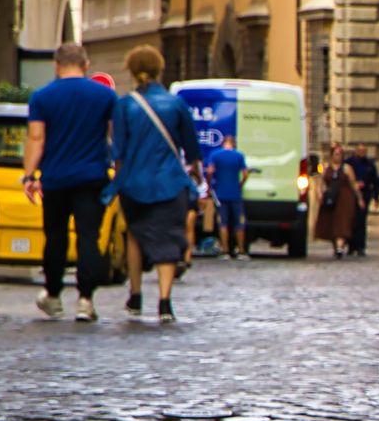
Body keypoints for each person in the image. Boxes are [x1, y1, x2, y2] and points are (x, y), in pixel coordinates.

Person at [21, 41, 117, 322]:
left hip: (56, 178)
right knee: (89, 236)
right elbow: (114, 137)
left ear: (57, 65)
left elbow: (36, 139)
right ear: (86, 65)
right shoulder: (105, 96)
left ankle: (53, 295)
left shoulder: (42, 97)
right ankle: (86, 300)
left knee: (56, 236)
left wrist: (29, 175)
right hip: (92, 175)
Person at [109, 44, 203, 323]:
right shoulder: (175, 104)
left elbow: (119, 151)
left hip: (134, 182)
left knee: (136, 235)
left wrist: (119, 178)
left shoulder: (125, 105)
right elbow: (191, 146)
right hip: (170, 182)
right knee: (169, 237)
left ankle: (136, 295)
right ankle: (164, 301)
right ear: (159, 69)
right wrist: (196, 171)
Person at [206, 133, 250, 259]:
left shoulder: (215, 155)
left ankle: (225, 251)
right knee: (239, 222)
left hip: (220, 193)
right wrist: (240, 185)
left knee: (223, 222)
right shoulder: (239, 156)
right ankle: (241, 251)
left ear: (223, 143)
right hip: (235, 193)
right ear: (234, 144)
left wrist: (209, 186)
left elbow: (209, 171)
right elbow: (245, 174)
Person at [313, 144, 362, 257]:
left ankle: (340, 247)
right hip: (330, 198)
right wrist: (319, 194)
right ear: (331, 155)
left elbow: (353, 183)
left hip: (344, 198)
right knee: (331, 222)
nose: (338, 156)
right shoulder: (325, 168)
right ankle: (336, 245)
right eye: (336, 154)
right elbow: (321, 183)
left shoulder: (347, 168)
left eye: (340, 154)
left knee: (343, 223)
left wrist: (359, 198)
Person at [346, 144, 379, 256]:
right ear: (356, 151)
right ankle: (351, 246)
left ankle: (360, 246)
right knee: (351, 221)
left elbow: (375, 181)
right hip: (351, 194)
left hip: (365, 194)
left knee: (361, 221)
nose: (362, 153)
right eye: (360, 151)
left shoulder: (370, 164)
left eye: (364, 151)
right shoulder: (349, 162)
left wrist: (376, 197)